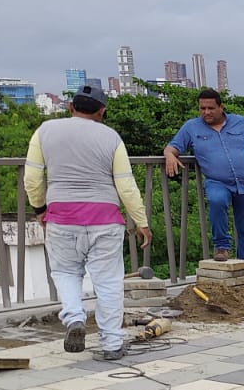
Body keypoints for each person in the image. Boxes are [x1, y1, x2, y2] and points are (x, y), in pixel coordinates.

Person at [23, 85, 152, 361]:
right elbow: (126, 186)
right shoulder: (111, 137)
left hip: (61, 217)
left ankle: (74, 319)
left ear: (71, 107)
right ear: (102, 111)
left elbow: (32, 179)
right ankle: (112, 344)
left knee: (66, 273)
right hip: (105, 219)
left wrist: (40, 210)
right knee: (108, 282)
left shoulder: (45, 131)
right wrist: (141, 221)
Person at [164, 89, 244, 263]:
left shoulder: (240, 122)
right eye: (202, 108)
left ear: (221, 107)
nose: (206, 112)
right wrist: (169, 155)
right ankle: (222, 246)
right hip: (217, 181)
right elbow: (172, 147)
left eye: (211, 108)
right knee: (216, 200)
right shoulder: (191, 127)